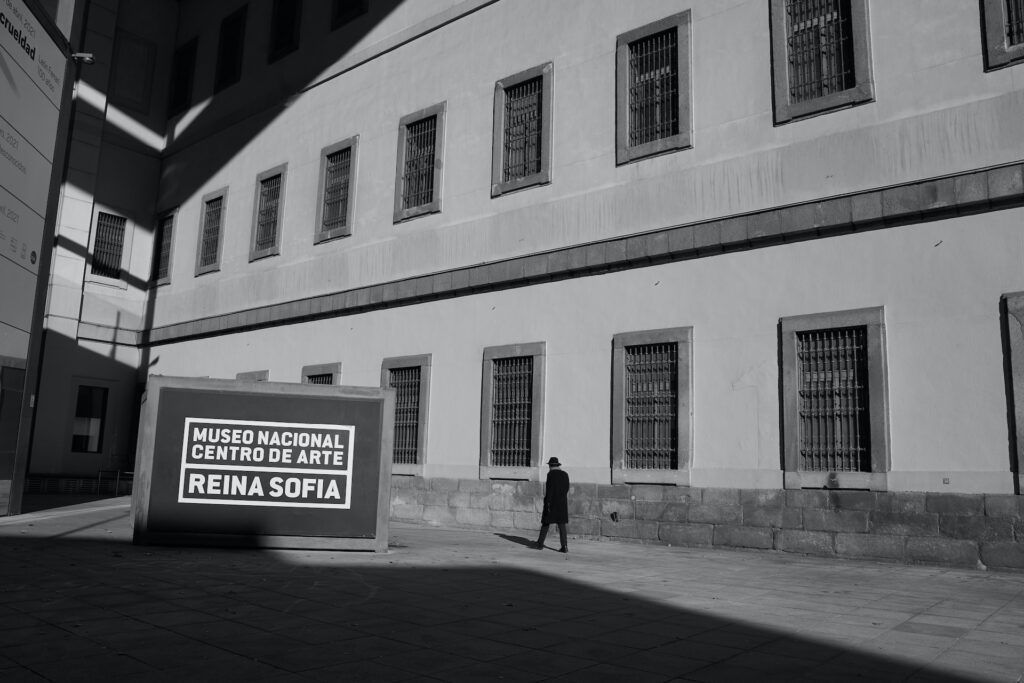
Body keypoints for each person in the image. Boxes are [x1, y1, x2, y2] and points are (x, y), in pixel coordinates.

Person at [536, 457, 569, 552]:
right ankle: (564, 546)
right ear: (558, 465)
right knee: (562, 525)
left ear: (550, 466)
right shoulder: (565, 474)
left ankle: (540, 544)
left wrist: (547, 502)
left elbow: (549, 490)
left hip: (551, 502)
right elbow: (566, 488)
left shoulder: (550, 474)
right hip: (562, 503)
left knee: (545, 523)